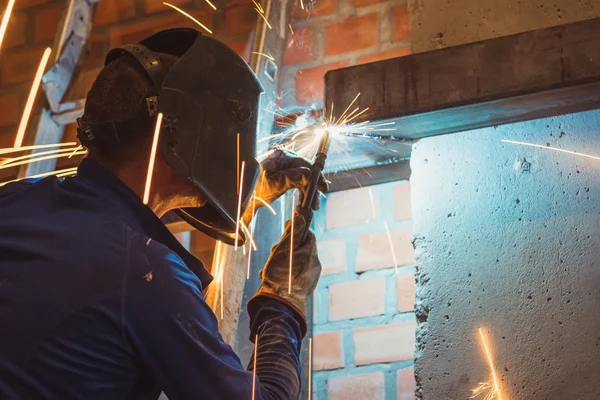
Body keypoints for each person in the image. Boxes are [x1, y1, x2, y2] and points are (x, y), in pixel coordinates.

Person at [0, 28, 326, 399]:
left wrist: (239, 196)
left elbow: (109, 229)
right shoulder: (148, 276)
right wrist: (283, 301)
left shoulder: (15, 200)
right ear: (179, 133)